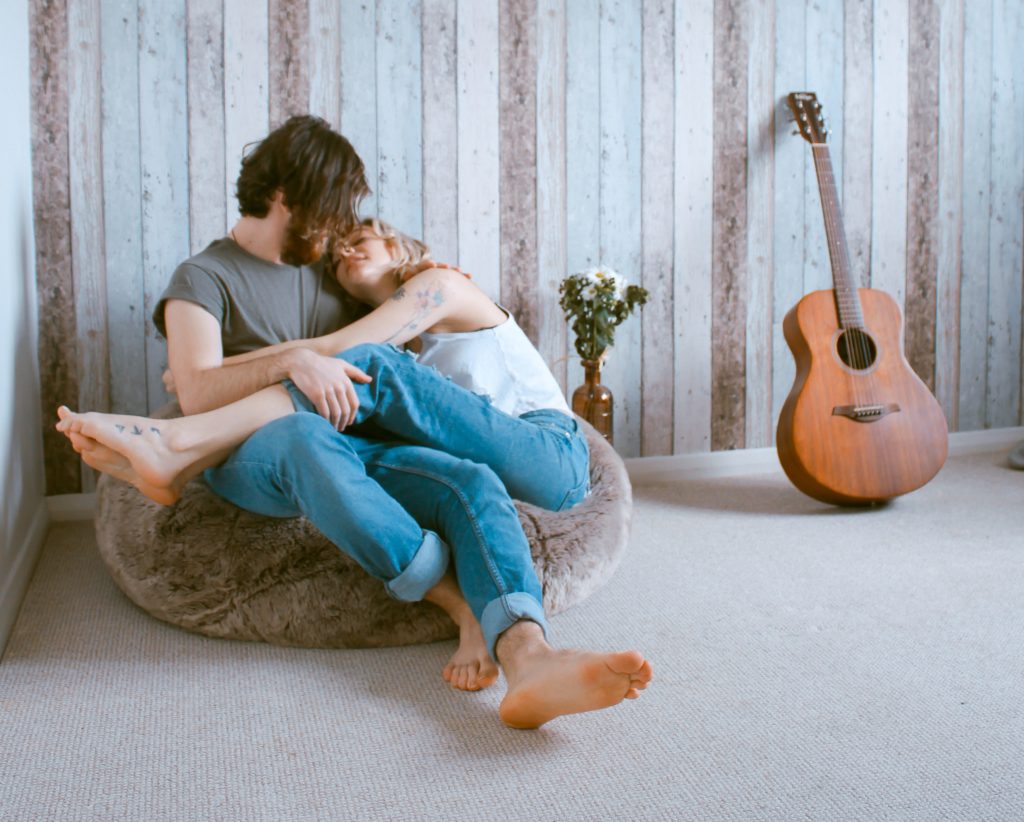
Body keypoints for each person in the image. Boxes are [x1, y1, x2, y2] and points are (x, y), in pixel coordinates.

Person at [57, 115, 651, 729]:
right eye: (337, 210)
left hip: (366, 441)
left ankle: (530, 658)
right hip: (267, 450)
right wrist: (290, 361)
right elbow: (199, 388)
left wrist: (300, 355)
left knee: (469, 479)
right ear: (289, 195)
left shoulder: (335, 275)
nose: (344, 233)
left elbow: (363, 349)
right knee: (305, 431)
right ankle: (451, 599)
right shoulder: (201, 280)